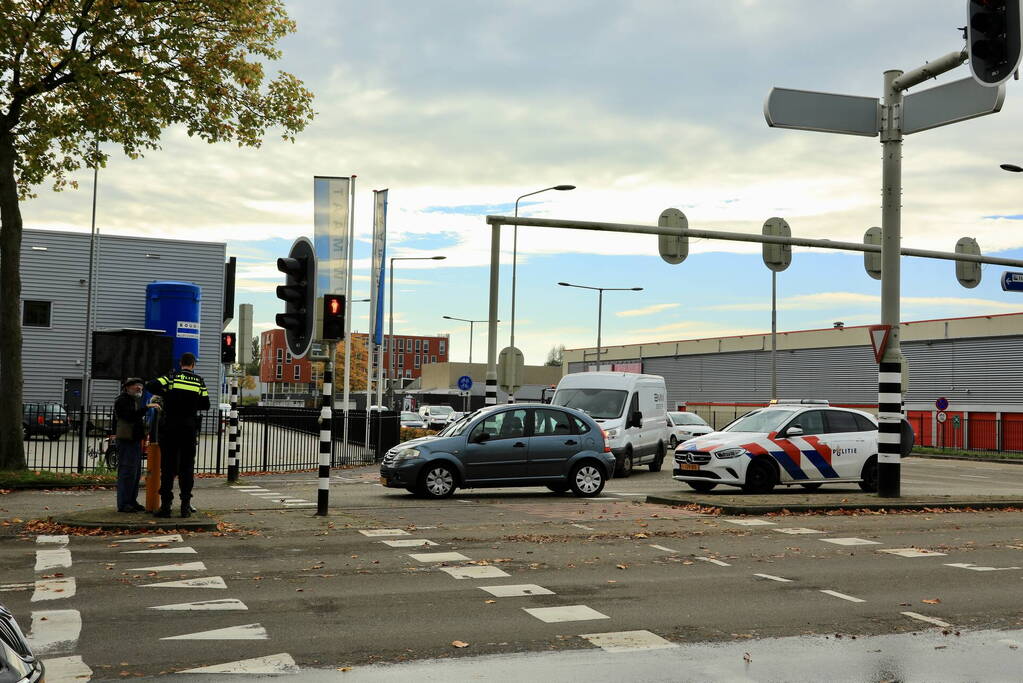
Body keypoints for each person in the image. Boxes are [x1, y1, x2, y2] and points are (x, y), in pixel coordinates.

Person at [146, 353, 210, 518]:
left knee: (167, 468)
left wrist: (167, 394)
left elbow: (151, 385)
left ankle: (166, 507)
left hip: (171, 428)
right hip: (189, 429)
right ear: (193, 365)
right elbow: (206, 404)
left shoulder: (172, 378)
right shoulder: (199, 381)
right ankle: (185, 507)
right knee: (187, 468)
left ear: (181, 363)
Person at [112, 378, 156, 513]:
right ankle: (124, 503)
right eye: (136, 386)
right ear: (127, 387)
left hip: (134, 440)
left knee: (135, 473)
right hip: (127, 440)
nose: (139, 389)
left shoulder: (132, 400)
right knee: (127, 472)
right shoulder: (122, 400)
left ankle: (131, 501)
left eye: (141, 387)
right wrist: (146, 408)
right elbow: (130, 416)